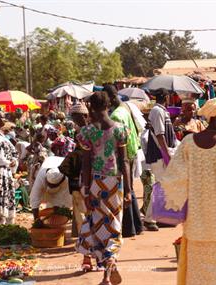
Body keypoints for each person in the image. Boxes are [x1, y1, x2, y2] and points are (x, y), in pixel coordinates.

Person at [160, 91, 216, 285]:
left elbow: (172, 179)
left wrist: (183, 199)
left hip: (195, 224)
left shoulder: (187, 143)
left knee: (197, 274)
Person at [76, 91, 131, 285]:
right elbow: (124, 161)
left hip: (95, 183)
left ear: (91, 107)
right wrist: (130, 190)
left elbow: (86, 164)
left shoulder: (86, 133)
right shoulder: (120, 130)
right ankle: (109, 267)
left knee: (97, 225)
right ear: (108, 106)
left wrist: (85, 189)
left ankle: (107, 272)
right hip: (115, 183)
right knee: (114, 226)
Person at [104, 84, 143, 238]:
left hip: (125, 154)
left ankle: (129, 228)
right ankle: (136, 226)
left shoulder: (116, 116)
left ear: (111, 98)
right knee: (130, 189)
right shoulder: (125, 107)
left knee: (126, 190)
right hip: (132, 151)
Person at [144, 88, 178, 231]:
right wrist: (166, 155)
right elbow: (160, 135)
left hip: (164, 153)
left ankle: (159, 217)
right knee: (161, 186)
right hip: (160, 155)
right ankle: (149, 219)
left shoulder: (162, 111)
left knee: (164, 186)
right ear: (166, 97)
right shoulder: (157, 111)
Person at [58, 103, 89, 239]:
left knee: (84, 212)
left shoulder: (89, 132)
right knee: (81, 211)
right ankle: (83, 237)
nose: (74, 120)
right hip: (79, 182)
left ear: (84, 116)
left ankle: (85, 239)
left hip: (84, 181)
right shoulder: (81, 132)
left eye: (76, 117)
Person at [0, 112, 18, 225]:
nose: (4, 120)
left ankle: (5, 224)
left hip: (7, 172)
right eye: (1, 118)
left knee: (6, 196)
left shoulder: (2, 135)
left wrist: (14, 161)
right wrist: (8, 162)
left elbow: (13, 150)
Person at [29, 158, 72, 223]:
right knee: (51, 212)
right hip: (51, 162)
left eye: (54, 186)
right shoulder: (41, 177)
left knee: (61, 211)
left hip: (65, 186)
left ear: (61, 182)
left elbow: (68, 199)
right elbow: (34, 198)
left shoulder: (68, 178)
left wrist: (62, 208)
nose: (52, 187)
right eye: (50, 185)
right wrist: (36, 219)